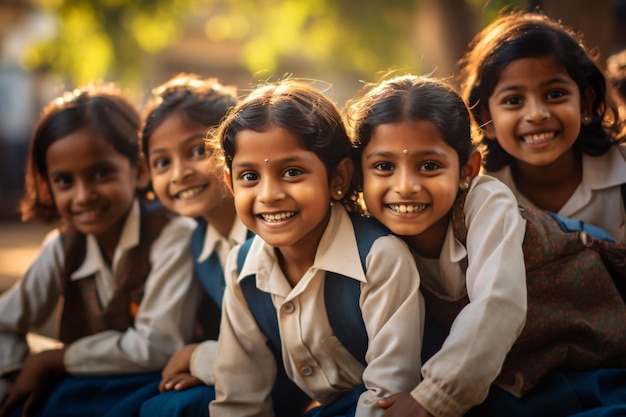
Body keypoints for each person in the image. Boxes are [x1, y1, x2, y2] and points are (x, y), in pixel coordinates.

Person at [349, 74, 626, 417]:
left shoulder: (485, 202)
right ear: (358, 176)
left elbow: (498, 304)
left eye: (430, 166)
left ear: (468, 169)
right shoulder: (366, 235)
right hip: (502, 371)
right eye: (384, 166)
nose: (405, 186)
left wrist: (429, 400)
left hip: (582, 354)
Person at [207, 79, 423, 417]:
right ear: (230, 182)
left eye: (292, 172)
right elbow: (239, 396)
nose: (268, 195)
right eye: (249, 176)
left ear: (337, 179)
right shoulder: (242, 266)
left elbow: (390, 395)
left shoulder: (379, 257)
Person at [0, 83, 197, 417]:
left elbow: (158, 345)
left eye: (101, 174)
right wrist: (16, 373)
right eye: (65, 181)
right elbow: (5, 321)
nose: (83, 195)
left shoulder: (173, 235)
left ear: (138, 171)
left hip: (153, 384)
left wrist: (53, 359)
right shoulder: (64, 245)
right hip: (82, 387)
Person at [456, 10, 626, 242]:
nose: (536, 115)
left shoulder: (622, 171)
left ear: (585, 104)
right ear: (487, 119)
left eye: (555, 94)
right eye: (513, 100)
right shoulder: (479, 199)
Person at [138, 73, 247, 417]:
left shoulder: (268, 232)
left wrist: (197, 357)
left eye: (198, 151)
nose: (179, 173)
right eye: (162, 162)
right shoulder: (200, 243)